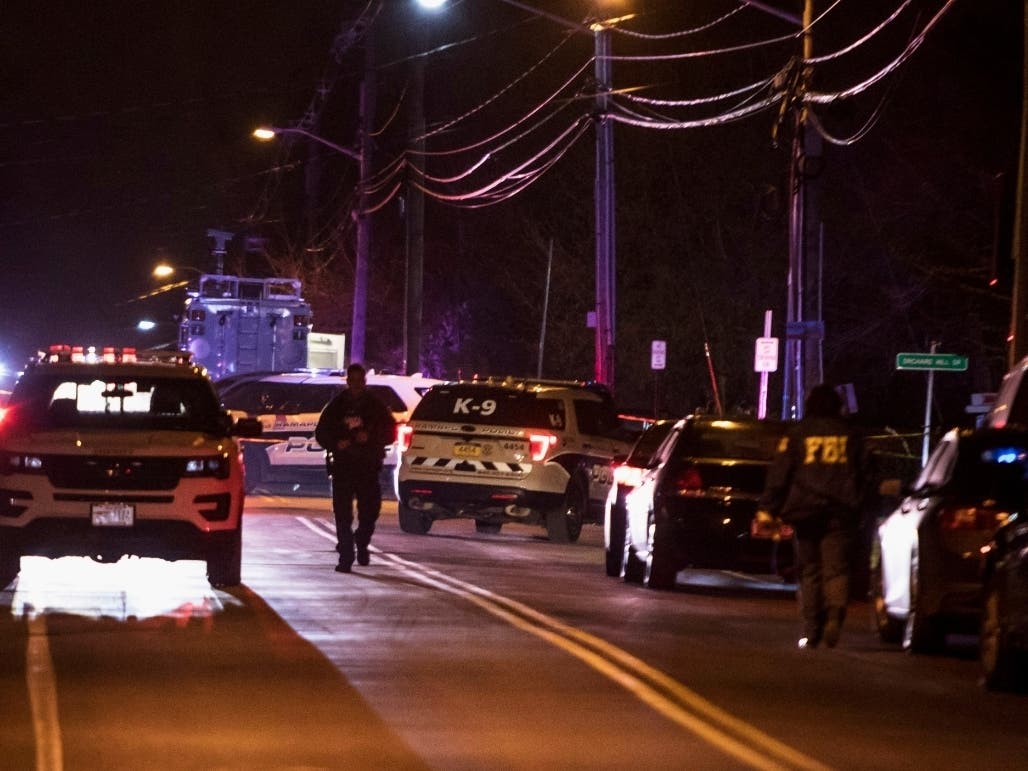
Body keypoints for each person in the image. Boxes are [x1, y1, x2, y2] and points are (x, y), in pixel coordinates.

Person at [759, 384, 871, 649]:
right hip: (841, 512)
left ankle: (812, 628)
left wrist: (769, 507)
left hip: (805, 512)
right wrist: (862, 507)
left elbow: (780, 474)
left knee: (809, 570)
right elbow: (867, 475)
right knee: (837, 568)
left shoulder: (798, 435)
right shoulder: (852, 436)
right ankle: (834, 616)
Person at [315, 363, 396, 573]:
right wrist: (336, 443)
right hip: (343, 467)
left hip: (368, 466)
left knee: (370, 512)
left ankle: (361, 540)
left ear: (365, 382)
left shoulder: (375, 406)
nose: (356, 385)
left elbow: (390, 432)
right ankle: (346, 556)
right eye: (353, 381)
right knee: (342, 515)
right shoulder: (336, 406)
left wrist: (370, 437)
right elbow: (321, 433)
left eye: (360, 381)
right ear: (348, 382)